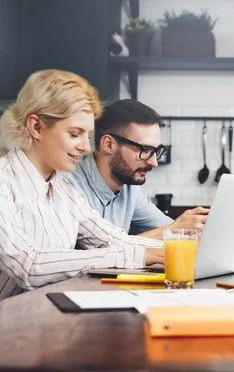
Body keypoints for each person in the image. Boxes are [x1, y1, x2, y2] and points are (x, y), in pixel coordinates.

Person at [0, 69, 164, 299]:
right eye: (75, 134)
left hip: (42, 316)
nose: (86, 147)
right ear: (36, 127)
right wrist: (138, 256)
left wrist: (179, 248)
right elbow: (29, 266)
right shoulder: (3, 184)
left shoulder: (63, 190)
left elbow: (111, 239)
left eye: (87, 135)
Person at [64, 100, 208, 239]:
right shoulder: (67, 187)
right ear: (109, 144)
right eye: (145, 150)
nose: (154, 162)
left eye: (156, 151)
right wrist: (173, 230)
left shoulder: (129, 190)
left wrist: (189, 229)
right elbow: (98, 252)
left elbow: (170, 228)